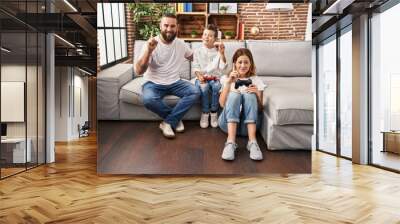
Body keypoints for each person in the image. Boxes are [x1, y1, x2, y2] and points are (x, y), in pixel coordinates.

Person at [135, 14, 200, 139]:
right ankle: (174, 119)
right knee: (148, 99)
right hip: (153, 83)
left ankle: (168, 122)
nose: (169, 29)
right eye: (166, 25)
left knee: (195, 91)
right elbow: (139, 71)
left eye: (172, 26)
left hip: (175, 82)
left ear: (177, 28)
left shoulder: (181, 44)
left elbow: (194, 57)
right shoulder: (150, 44)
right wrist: (149, 51)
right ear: (160, 26)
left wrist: (214, 54)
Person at [218, 48, 266, 161]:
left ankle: (253, 142)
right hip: (227, 124)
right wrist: (229, 83)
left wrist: (257, 95)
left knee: (249, 95)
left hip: (247, 127)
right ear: (234, 64)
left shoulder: (256, 80)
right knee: (235, 95)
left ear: (250, 64)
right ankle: (230, 142)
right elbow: (221, 104)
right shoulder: (227, 79)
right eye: (240, 62)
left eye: (246, 62)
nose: (243, 65)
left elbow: (260, 109)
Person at [192, 24, 227, 128]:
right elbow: (195, 67)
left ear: (215, 39)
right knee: (205, 87)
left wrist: (222, 53)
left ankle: (214, 112)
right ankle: (205, 112)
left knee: (216, 86)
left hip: (214, 78)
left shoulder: (218, 51)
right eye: (205, 34)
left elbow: (223, 67)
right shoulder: (197, 51)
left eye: (210, 35)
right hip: (202, 78)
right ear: (202, 36)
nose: (206, 37)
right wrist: (199, 77)